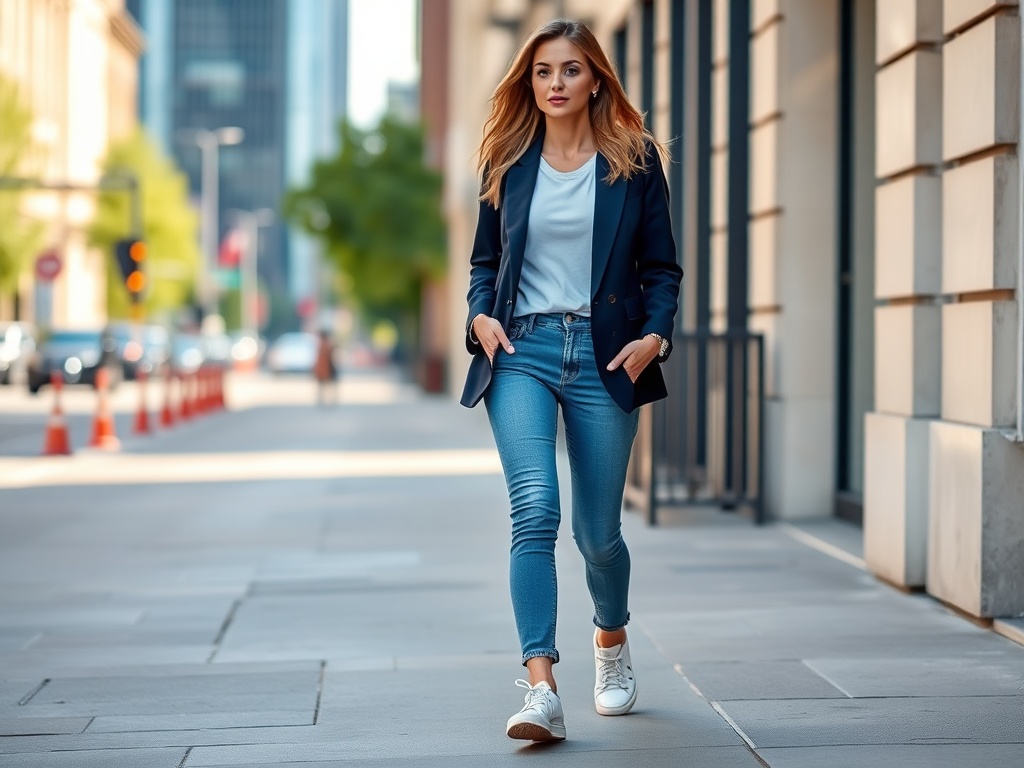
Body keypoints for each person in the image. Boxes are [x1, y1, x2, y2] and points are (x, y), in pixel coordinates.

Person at [460, 18, 683, 743]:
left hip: (606, 354)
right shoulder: (506, 159)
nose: (555, 83)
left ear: (596, 81)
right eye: (543, 71)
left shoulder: (634, 163)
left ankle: (611, 639)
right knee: (534, 508)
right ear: (529, 82)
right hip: (520, 349)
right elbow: (485, 263)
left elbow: (661, 269)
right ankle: (541, 689)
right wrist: (478, 318)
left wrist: (655, 337)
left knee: (597, 535)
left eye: (571, 70)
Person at [314, 329, 338, 405]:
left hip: (325, 368)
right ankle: (326, 399)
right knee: (326, 385)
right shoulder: (325, 345)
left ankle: (325, 399)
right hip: (325, 368)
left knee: (324, 386)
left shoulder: (323, 345)